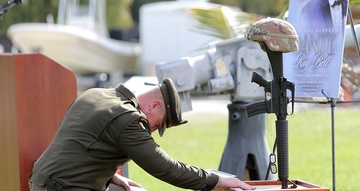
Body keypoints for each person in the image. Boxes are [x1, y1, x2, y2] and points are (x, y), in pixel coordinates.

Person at [28, 78, 255, 191]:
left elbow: (81, 143)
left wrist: (110, 175)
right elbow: (165, 167)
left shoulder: (97, 94)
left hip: (44, 180)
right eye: (159, 125)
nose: (153, 130)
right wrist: (215, 181)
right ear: (155, 105)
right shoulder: (128, 119)